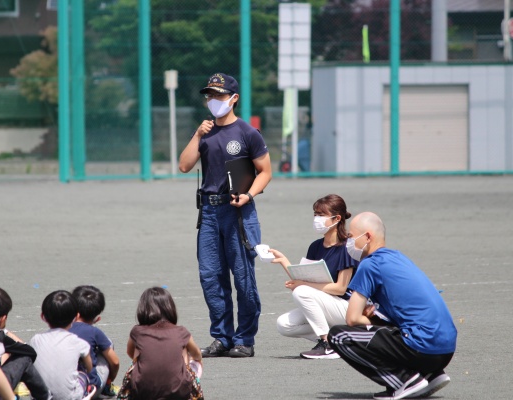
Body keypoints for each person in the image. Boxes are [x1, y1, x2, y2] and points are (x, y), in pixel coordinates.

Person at [178, 72, 272, 358]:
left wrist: (249, 194)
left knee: (243, 277)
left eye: (219, 95)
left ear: (234, 99)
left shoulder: (247, 133)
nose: (213, 101)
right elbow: (183, 166)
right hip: (208, 211)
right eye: (210, 95)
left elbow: (265, 171)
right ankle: (222, 337)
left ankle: (245, 339)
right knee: (210, 275)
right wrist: (197, 134)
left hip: (238, 211)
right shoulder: (204, 133)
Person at [327, 212, 457, 400]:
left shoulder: (370, 265)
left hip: (422, 347)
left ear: (368, 237)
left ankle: (403, 380)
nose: (348, 242)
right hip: (444, 349)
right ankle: (430, 374)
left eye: (351, 236)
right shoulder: (399, 258)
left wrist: (371, 320)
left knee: (339, 336)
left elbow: (352, 318)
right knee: (386, 329)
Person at [269, 194, 358, 359]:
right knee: (284, 324)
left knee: (302, 291)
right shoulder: (316, 246)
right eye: (315, 214)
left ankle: (327, 344)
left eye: (321, 215)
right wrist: (283, 261)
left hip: (347, 308)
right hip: (327, 303)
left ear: (337, 218)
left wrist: (303, 284)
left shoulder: (347, 247)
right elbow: (306, 278)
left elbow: (340, 288)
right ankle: (339, 342)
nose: (316, 218)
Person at [117, 286, 203, 400]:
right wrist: (190, 361)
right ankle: (192, 394)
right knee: (187, 353)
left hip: (142, 390)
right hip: (178, 391)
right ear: (170, 308)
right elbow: (197, 354)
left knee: (138, 355)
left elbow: (130, 353)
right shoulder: (181, 331)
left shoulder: (137, 331)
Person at [0, 285, 51, 400]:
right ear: (2, 319)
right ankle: (44, 397)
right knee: (24, 359)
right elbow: (30, 352)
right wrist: (6, 335)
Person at [29, 290, 93, 400]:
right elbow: (89, 367)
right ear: (76, 317)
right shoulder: (77, 342)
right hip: (69, 397)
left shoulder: (35, 340)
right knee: (83, 373)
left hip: (40, 396)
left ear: (43, 316)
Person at [69, 285, 120, 397]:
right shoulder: (94, 332)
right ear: (97, 317)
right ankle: (107, 386)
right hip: (90, 390)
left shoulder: (62, 329)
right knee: (108, 344)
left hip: (64, 387)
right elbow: (115, 362)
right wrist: (110, 378)